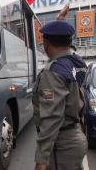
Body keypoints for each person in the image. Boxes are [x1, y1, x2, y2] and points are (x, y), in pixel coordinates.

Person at [33, 20, 88, 170]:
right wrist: (60, 22)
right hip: (75, 137)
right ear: (69, 42)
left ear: (46, 43)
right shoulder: (76, 62)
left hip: (62, 146)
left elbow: (52, 117)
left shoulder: (53, 71)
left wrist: (41, 159)